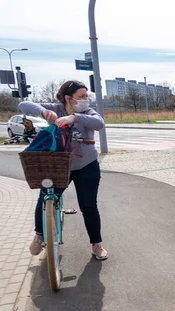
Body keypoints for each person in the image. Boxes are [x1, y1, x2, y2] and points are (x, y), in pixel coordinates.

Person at [18, 80, 108, 260]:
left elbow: (99, 123)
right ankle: (39, 234)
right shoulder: (56, 109)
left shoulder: (87, 112)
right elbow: (22, 104)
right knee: (45, 197)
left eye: (86, 96)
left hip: (86, 166)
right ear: (68, 98)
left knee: (89, 205)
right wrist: (42, 112)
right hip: (57, 165)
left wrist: (75, 117)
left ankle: (96, 244)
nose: (85, 99)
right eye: (81, 96)